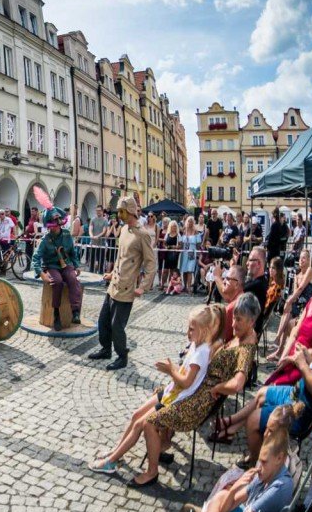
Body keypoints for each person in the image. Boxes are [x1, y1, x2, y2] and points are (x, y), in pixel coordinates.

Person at [125, 293, 258, 487]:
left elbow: (238, 383)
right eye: (234, 318)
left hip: (199, 402)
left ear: (252, 321)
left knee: (149, 423)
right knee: (162, 393)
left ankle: (151, 472)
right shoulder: (240, 337)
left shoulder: (246, 349)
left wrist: (219, 387)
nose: (234, 324)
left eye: (239, 320)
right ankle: (162, 445)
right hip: (195, 390)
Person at [88, 305, 219, 476]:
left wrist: (171, 370)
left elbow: (187, 383)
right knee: (136, 415)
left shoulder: (202, 352)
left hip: (176, 399)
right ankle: (116, 451)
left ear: (204, 330)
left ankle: (111, 461)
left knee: (140, 424)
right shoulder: (196, 344)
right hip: (172, 391)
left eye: (192, 329)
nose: (188, 332)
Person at [178, 423, 294, 512]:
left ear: (279, 458)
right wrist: (234, 488)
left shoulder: (279, 488)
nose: (259, 467)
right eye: (260, 460)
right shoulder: (266, 472)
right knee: (221, 496)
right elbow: (224, 509)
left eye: (264, 462)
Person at [88, 197, 157, 370]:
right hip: (114, 284)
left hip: (127, 288)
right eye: (118, 211)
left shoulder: (143, 234)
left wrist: (143, 287)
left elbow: (151, 263)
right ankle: (106, 349)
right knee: (103, 321)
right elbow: (120, 256)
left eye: (122, 211)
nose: (119, 215)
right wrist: (111, 273)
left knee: (117, 326)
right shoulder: (124, 229)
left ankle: (122, 356)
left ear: (131, 211)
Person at [263, 280, 312, 386]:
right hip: (293, 354)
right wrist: (283, 357)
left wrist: (291, 359)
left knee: (275, 386)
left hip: (305, 361)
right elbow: (295, 333)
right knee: (269, 383)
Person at [34, 207, 82, 330]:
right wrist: (41, 273)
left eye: (57, 223)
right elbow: (36, 258)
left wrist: (76, 265)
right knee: (57, 282)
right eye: (52, 224)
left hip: (66, 264)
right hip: (52, 266)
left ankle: (75, 311)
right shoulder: (45, 239)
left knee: (72, 278)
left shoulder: (66, 234)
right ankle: (56, 314)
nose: (54, 227)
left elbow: (72, 252)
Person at [270, 249, 312, 358]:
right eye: (300, 258)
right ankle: (278, 347)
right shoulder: (297, 274)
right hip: (297, 306)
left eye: (304, 258)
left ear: (309, 260)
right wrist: (290, 301)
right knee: (287, 312)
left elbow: (300, 289)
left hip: (306, 307)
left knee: (288, 309)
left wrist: (289, 301)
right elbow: (295, 292)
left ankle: (278, 344)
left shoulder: (309, 270)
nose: (301, 260)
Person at [243, 246, 270, 334]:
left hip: (248, 333)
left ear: (258, 264)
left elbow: (230, 293)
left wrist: (217, 277)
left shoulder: (258, 285)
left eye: (250, 260)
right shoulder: (260, 281)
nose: (247, 263)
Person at [179, 216, 200, 294]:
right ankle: (184, 286)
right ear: (186, 222)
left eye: (191, 221)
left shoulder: (196, 231)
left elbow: (198, 244)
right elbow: (180, 242)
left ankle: (189, 288)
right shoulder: (183, 231)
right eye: (188, 221)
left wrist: (198, 253)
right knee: (184, 270)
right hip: (184, 253)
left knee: (190, 270)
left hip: (192, 252)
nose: (190, 222)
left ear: (193, 222)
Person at [160, 219, 180, 292]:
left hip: (174, 255)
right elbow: (164, 243)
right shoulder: (167, 234)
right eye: (172, 226)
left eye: (175, 226)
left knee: (172, 271)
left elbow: (180, 245)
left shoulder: (178, 235)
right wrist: (166, 247)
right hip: (167, 254)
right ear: (170, 227)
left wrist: (175, 247)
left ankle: (170, 285)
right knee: (165, 270)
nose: (173, 227)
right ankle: (162, 284)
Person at [89, 205, 108, 274]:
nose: (98, 212)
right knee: (92, 258)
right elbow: (90, 228)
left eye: (99, 210)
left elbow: (104, 231)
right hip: (93, 243)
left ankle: (100, 272)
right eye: (97, 210)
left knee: (101, 260)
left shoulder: (105, 220)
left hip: (101, 243)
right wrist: (91, 235)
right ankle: (91, 272)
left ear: (102, 211)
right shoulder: (93, 219)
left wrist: (97, 236)